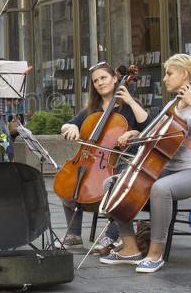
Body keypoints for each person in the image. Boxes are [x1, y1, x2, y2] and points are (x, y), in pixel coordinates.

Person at [99, 54, 191, 273]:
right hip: (171, 168)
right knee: (113, 183)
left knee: (161, 188)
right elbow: (156, 136)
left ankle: (155, 254)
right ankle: (130, 248)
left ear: (184, 74)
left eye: (169, 73)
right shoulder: (172, 105)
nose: (164, 78)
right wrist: (136, 133)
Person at [59, 62, 149, 251]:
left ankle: (111, 235)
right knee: (69, 180)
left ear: (115, 78)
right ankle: (74, 234)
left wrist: (131, 104)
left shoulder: (129, 106)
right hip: (96, 160)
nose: (99, 83)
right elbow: (67, 125)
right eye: (95, 81)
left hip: (125, 160)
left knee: (117, 185)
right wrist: (72, 127)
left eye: (103, 78)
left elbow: (148, 127)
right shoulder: (92, 109)